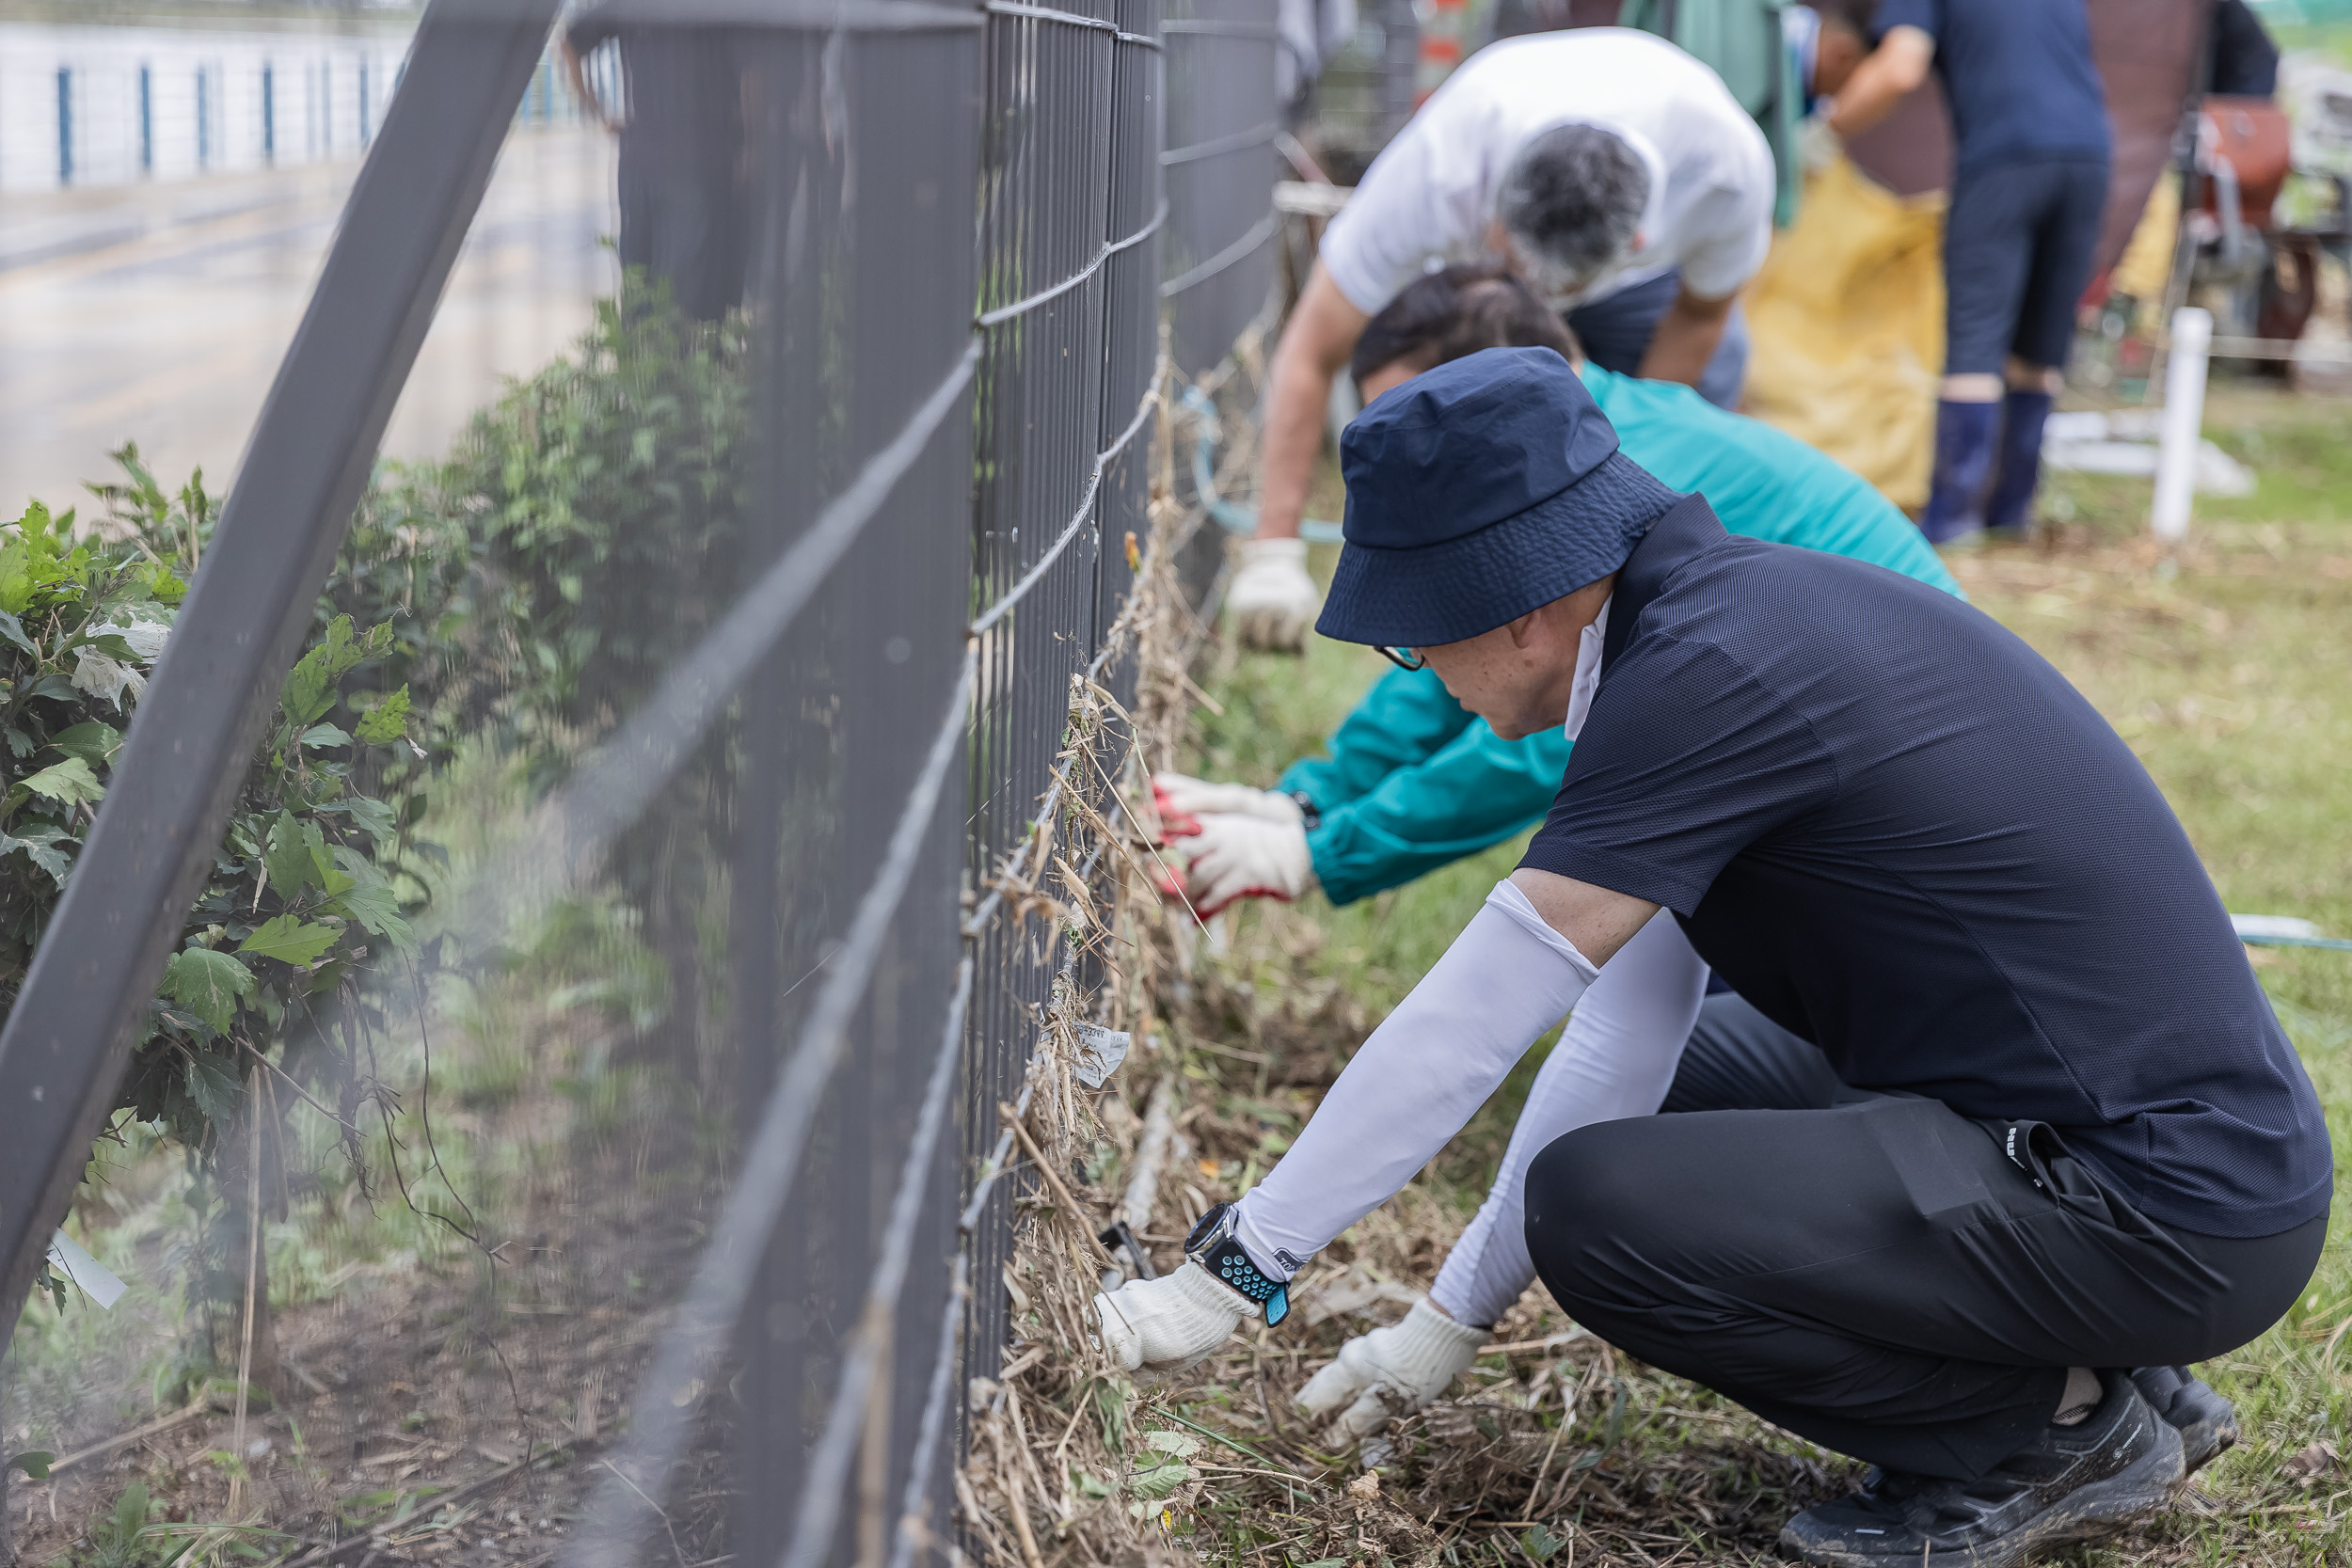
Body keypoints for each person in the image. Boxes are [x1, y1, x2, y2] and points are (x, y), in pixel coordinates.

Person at [1096, 349, 2328, 1564]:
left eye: (1419, 647)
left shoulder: (1702, 676)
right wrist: (1445, 1320)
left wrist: (1236, 1267)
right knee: (1677, 1093)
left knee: (1598, 1213)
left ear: (1522, 608)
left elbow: (1470, 1016)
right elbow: (1625, 1034)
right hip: (2153, 1149)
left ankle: (2050, 1426)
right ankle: (2106, 1361)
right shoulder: (1710, 622)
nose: (1435, 683)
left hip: (2167, 1202)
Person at [1160, 262, 1957, 917]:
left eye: (1418, 416)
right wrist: (1310, 802)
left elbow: (1564, 738)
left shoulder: (1622, 482)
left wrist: (1326, 850)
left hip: (1903, 812)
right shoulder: (1584, 446)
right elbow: (1457, 653)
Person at [1232, 28, 1777, 650]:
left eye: (1544, 284)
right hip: (1477, 271)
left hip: (1640, 297)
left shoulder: (1725, 172)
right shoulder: (1448, 163)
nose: (1535, 295)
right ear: (1495, 213)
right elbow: (1312, 345)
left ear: (1634, 245)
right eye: (1515, 263)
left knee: (1678, 441)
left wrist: (1615, 497)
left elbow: (1701, 319)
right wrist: (1273, 545)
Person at [1820, 0, 2111, 545]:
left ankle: (1952, 521)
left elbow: (1901, 67)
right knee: (2037, 349)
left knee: (1975, 342)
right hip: (2089, 155)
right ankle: (2011, 513)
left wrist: (1824, 128)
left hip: (2005, 157)